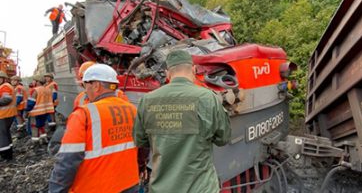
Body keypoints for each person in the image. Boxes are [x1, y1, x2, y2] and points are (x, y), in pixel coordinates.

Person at [133, 50, 231, 192]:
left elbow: (141, 141)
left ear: (168, 73)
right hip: (200, 188)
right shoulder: (208, 98)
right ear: (194, 69)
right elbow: (223, 139)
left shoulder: (147, 100)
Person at [49, 64, 139, 192]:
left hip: (95, 187)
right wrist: (140, 168)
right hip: (129, 183)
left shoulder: (83, 114)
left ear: (96, 86)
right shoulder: (133, 110)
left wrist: (56, 189)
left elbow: (68, 159)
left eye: (86, 85)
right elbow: (142, 147)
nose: (85, 91)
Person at [26, 75, 54, 143]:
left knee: (34, 126)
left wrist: (27, 111)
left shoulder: (35, 90)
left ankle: (35, 142)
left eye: (34, 81)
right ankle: (44, 138)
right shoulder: (47, 89)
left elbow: (31, 103)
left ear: (37, 82)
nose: (32, 82)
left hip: (36, 112)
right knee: (42, 125)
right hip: (46, 111)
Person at [0, 71, 17, 161]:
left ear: (4, 79)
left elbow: (7, 99)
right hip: (7, 114)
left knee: (2, 135)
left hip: (4, 114)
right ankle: (9, 151)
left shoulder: (4, 86)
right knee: (5, 133)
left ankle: (5, 155)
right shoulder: (5, 86)